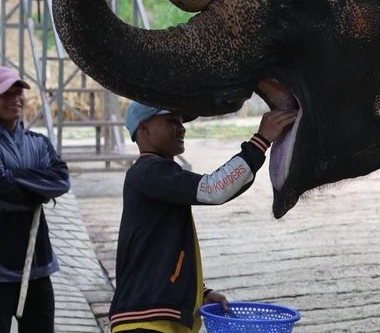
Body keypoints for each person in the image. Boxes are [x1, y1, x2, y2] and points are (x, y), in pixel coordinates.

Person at [109, 102, 297, 333]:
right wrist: (260, 141)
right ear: (144, 127)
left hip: (154, 315)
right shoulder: (149, 171)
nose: (182, 129)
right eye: (172, 121)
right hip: (145, 320)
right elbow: (214, 188)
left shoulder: (159, 176)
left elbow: (162, 251)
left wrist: (201, 293)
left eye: (181, 123)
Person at [0, 66, 71, 333]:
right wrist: (39, 191)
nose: (15, 98)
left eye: (18, 92)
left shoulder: (39, 142)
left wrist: (13, 175)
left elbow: (61, 180)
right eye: (5, 94)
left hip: (39, 264)